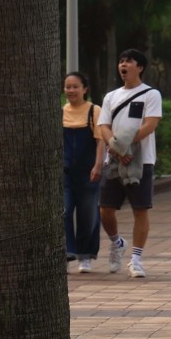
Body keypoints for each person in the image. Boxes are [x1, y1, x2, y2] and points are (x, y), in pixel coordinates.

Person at [98, 49, 162, 278]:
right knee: (105, 210)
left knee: (140, 209)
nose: (123, 65)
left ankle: (136, 259)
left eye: (129, 61)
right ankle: (117, 243)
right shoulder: (111, 96)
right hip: (114, 160)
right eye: (121, 61)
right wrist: (116, 149)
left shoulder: (151, 94)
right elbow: (104, 126)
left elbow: (149, 125)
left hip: (141, 161)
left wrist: (124, 147)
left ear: (140, 67)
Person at [63, 72, 104, 273]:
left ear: (84, 89)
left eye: (75, 86)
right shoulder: (60, 112)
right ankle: (67, 251)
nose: (71, 90)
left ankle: (85, 255)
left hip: (89, 171)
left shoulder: (94, 111)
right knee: (63, 210)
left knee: (88, 214)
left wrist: (98, 166)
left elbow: (100, 141)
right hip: (65, 172)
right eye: (67, 87)